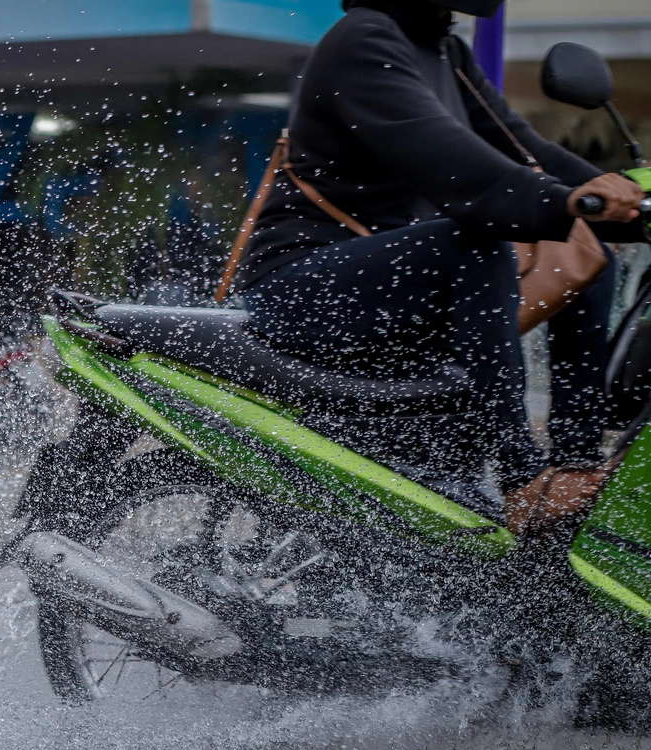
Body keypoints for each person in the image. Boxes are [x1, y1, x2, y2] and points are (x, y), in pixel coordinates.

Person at [235, 0, 646, 537]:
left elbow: (528, 148)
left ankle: (575, 459)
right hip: (302, 286)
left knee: (587, 247)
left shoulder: (445, 49)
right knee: (474, 242)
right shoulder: (363, 38)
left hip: (387, 291)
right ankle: (522, 476)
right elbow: (450, 160)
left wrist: (628, 200)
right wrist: (567, 201)